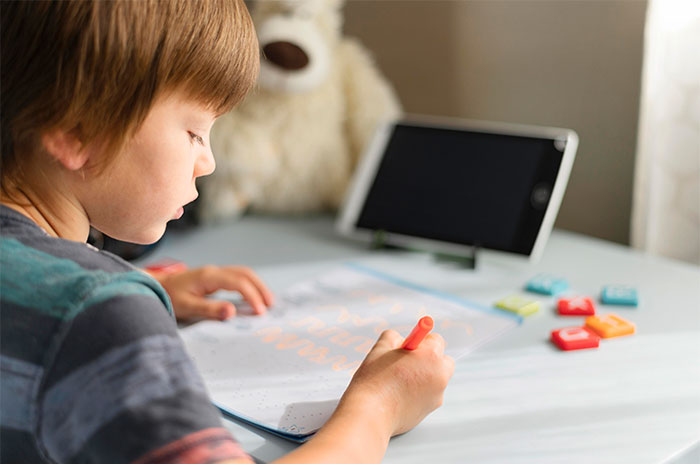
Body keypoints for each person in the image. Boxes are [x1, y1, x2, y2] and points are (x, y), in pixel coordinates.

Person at [0, 1, 455, 463]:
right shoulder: (99, 317)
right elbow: (75, 320)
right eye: (195, 132)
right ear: (75, 131)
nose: (209, 162)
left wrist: (152, 287)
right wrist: (378, 406)